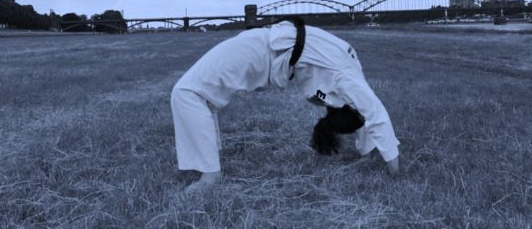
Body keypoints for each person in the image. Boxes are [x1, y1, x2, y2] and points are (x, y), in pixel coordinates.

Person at [170, 19, 400, 192]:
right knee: (194, 94)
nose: (318, 102)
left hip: (263, 51)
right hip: (263, 49)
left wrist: (376, 159)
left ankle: (210, 176)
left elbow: (369, 115)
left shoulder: (347, 78)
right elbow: (371, 114)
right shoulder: (348, 82)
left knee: (187, 92)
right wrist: (388, 166)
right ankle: (207, 162)